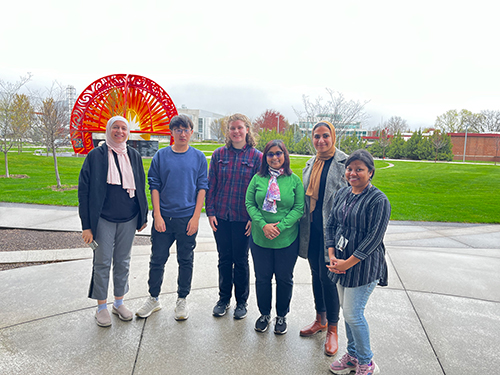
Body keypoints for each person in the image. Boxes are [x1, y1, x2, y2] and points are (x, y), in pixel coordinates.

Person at [136, 114, 208, 321]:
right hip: (164, 218)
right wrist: (157, 215)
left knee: (185, 260)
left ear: (191, 132)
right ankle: (153, 298)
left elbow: (202, 188)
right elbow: (154, 185)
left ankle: (182, 299)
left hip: (187, 219)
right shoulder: (161, 155)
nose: (182, 134)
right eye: (178, 130)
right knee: (157, 259)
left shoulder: (198, 157)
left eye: (186, 130)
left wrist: (195, 218)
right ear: (172, 132)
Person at [78, 115, 148, 327]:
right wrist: (86, 226)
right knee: (102, 262)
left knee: (123, 261)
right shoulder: (95, 156)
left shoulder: (134, 155)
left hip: (128, 218)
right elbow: (84, 192)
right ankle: (101, 307)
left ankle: (119, 302)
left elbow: (140, 186)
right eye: (115, 127)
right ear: (108, 130)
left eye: (123, 128)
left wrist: (142, 215)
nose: (119, 131)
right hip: (102, 220)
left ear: (128, 132)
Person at [326, 149, 391, 375]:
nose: (353, 173)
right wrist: (332, 254)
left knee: (354, 314)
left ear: (370, 172)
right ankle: (352, 355)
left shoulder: (378, 200)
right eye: (349, 169)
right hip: (340, 262)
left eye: (359, 169)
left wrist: (346, 263)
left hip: (364, 267)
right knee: (347, 312)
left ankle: (366, 361)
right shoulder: (342, 194)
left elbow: (374, 239)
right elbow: (332, 225)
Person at [298, 121, 348, 356]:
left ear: (333, 136)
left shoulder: (345, 162)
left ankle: (333, 330)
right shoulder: (310, 164)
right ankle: (320, 319)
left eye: (325, 136)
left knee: (329, 278)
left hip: (334, 233)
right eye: (316, 136)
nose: (321, 141)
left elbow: (358, 196)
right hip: (312, 230)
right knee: (316, 275)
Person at [206, 114, 262, 319]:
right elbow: (211, 185)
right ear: (227, 132)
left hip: (243, 219)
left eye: (240, 128)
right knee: (223, 259)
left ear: (247, 129)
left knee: (240, 260)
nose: (236, 132)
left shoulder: (257, 157)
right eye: (232, 128)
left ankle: (241, 302)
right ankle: (223, 299)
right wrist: (210, 212)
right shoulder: (219, 154)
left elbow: (260, 191)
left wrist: (253, 218)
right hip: (221, 215)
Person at [245, 139, 304, 334]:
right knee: (262, 278)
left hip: (286, 238)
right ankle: (264, 314)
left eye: (278, 153)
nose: (275, 157)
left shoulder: (294, 180)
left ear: (285, 155)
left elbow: (299, 208)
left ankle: (281, 316)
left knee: (284, 278)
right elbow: (250, 203)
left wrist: (281, 226)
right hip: (260, 238)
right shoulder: (257, 179)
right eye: (270, 154)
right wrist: (262, 225)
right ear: (265, 157)